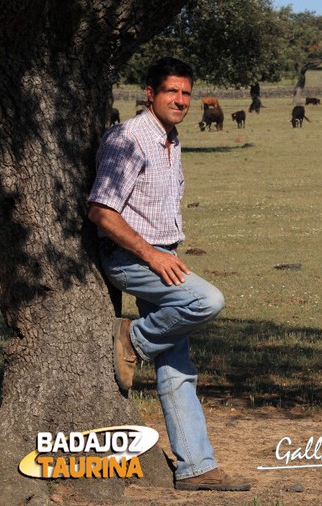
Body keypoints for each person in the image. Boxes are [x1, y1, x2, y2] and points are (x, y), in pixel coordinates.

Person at [88, 57, 250, 492]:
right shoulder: (129, 139)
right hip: (130, 259)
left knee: (178, 366)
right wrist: (152, 256)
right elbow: (101, 212)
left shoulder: (170, 138)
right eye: (171, 92)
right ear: (150, 94)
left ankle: (196, 466)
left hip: (163, 255)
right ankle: (132, 338)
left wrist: (164, 254)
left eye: (186, 93)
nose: (180, 100)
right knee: (206, 300)